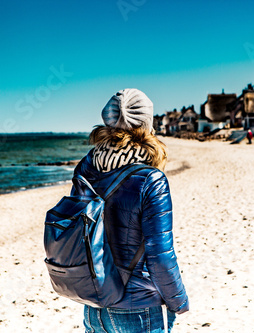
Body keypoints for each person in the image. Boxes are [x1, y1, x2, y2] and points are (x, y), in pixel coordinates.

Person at [72, 88, 189, 332]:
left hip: (95, 305)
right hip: (138, 310)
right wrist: (178, 301)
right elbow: (160, 256)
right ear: (147, 125)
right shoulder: (151, 179)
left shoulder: (87, 167)